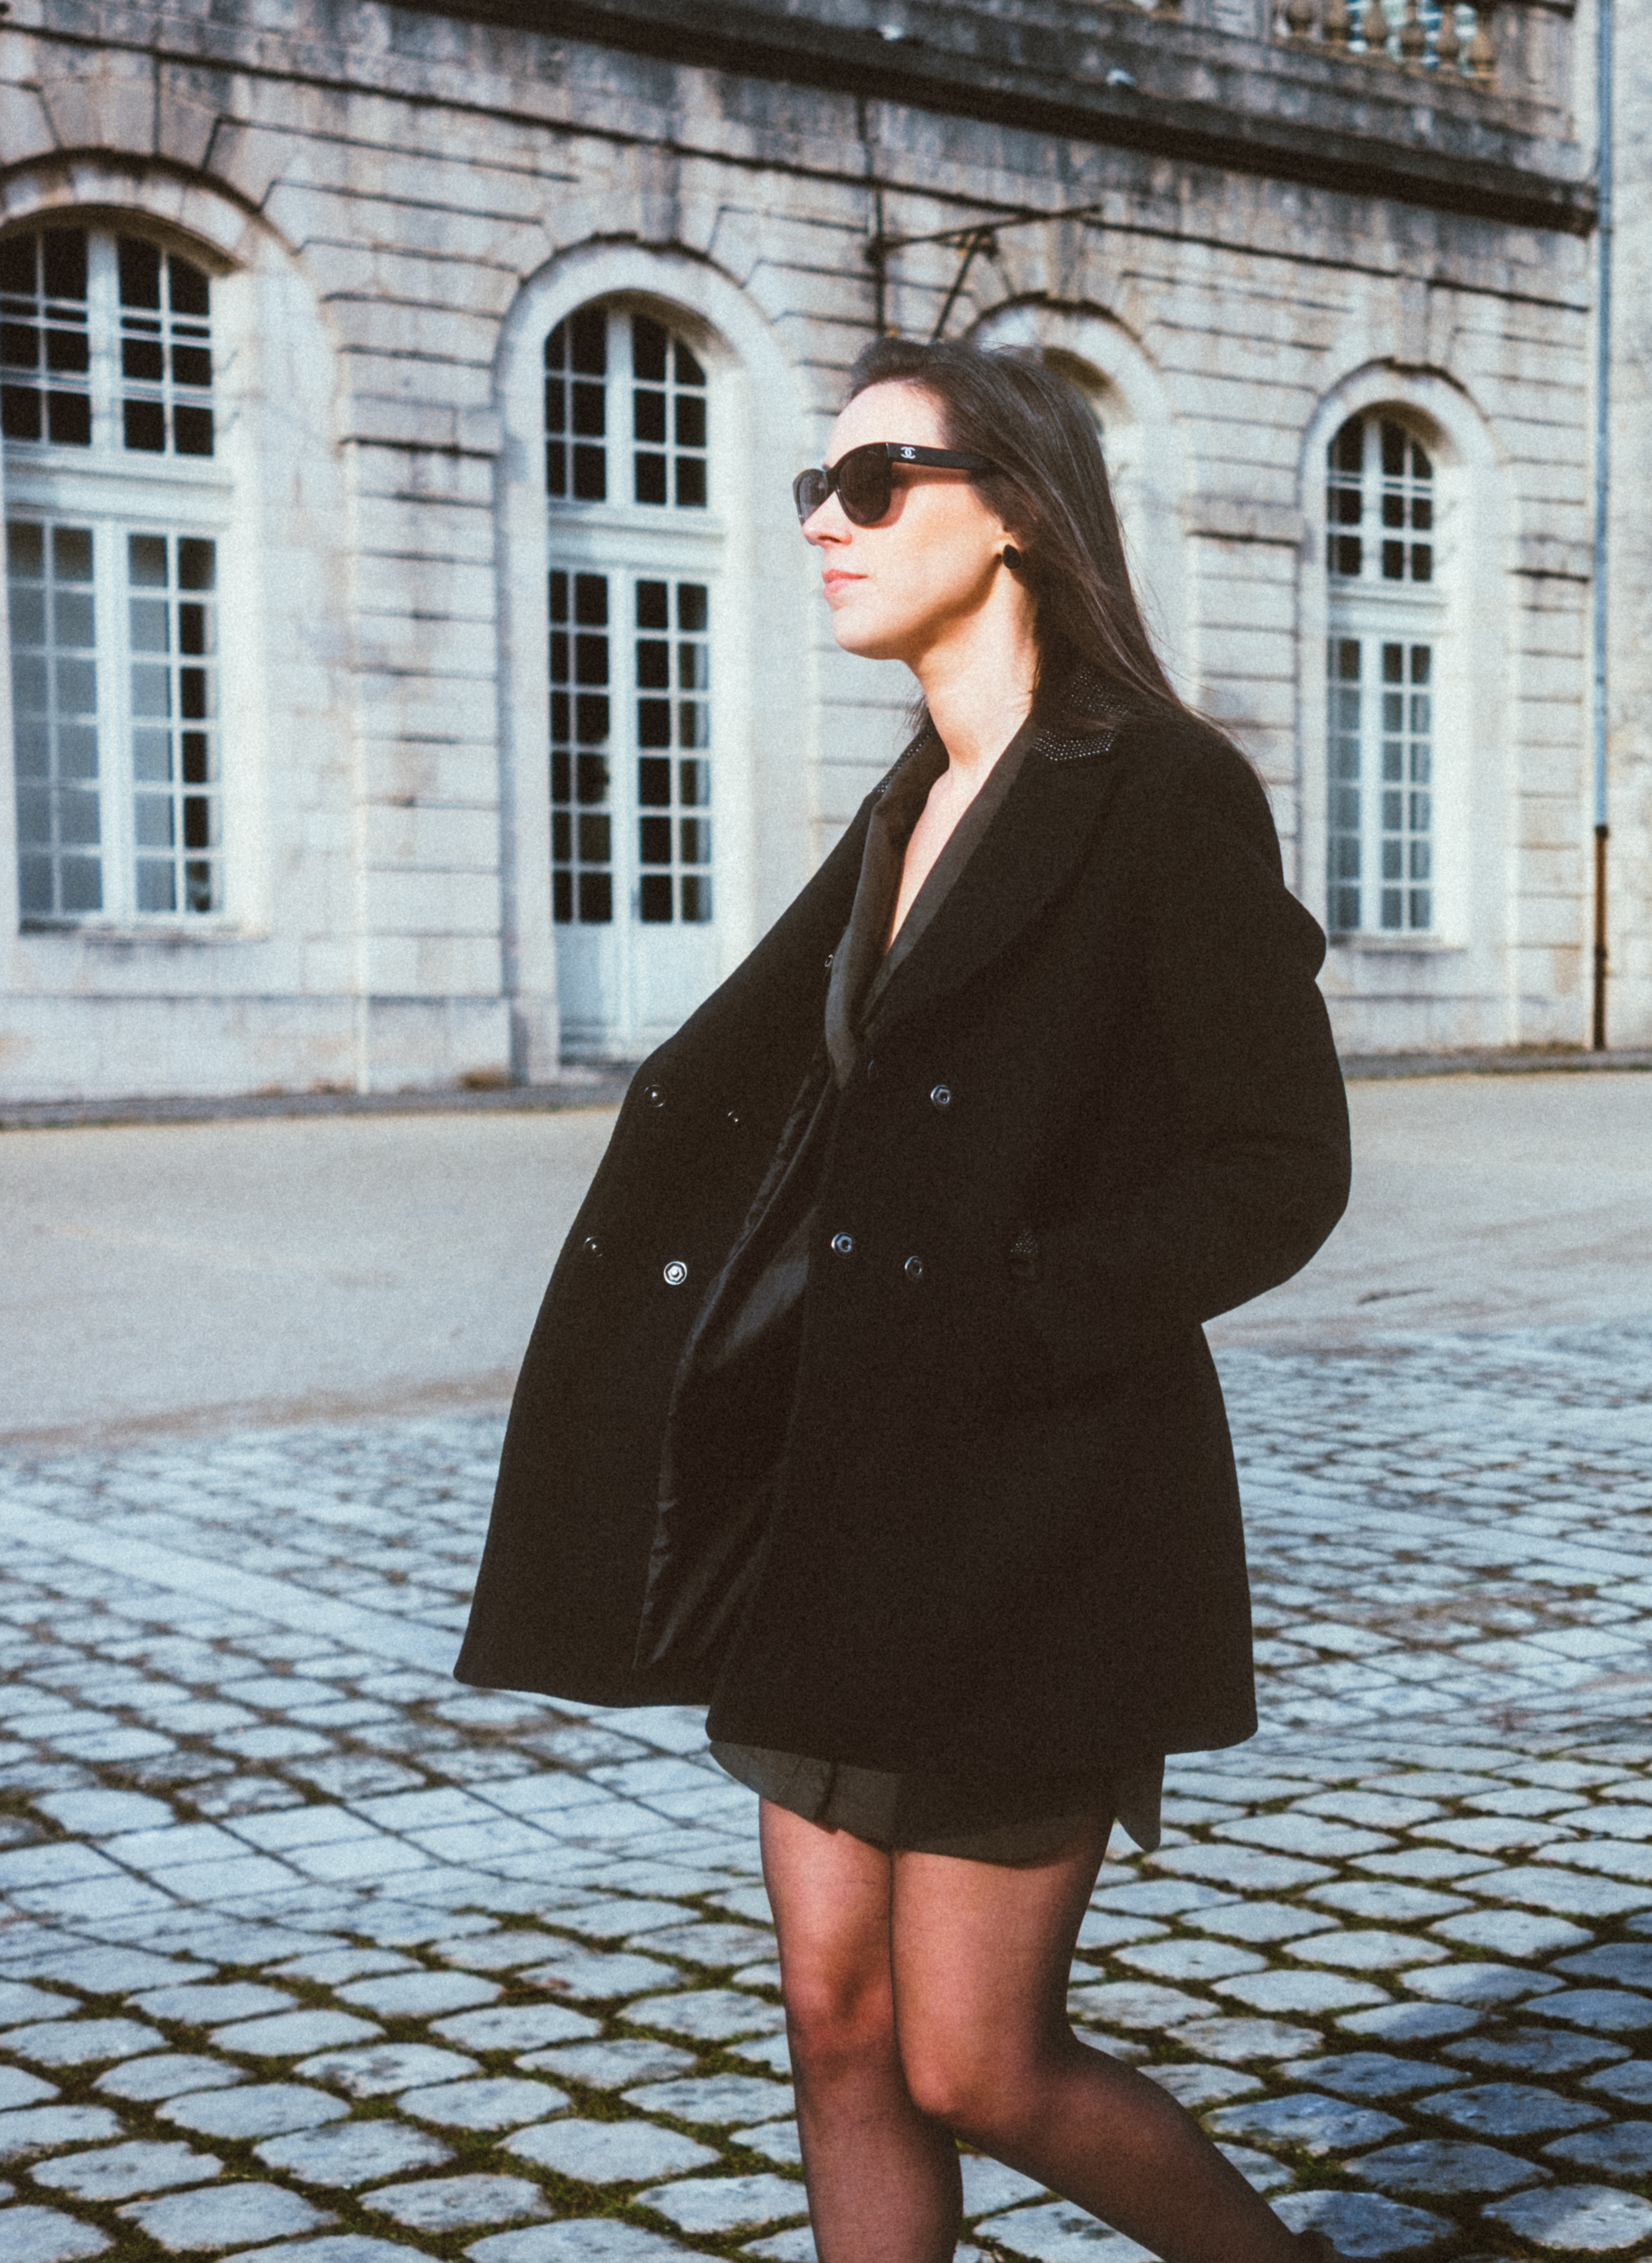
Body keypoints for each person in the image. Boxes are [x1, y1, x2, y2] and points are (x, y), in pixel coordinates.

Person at [454, 336, 1352, 2263]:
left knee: (976, 2058)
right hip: (834, 1503)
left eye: (876, 485)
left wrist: (1018, 1313)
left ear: (1016, 509)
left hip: (1037, 1512)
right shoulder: (905, 807)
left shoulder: (1163, 791)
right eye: (816, 489)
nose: (826, 528)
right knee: (838, 2031)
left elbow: (1282, 1170)